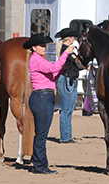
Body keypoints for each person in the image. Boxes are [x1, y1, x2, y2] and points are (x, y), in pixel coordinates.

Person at [25, 32, 74, 174]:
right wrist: (65, 54)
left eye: (45, 45)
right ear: (34, 48)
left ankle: (39, 163)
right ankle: (40, 165)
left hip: (44, 97)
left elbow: (52, 74)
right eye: (41, 46)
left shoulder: (38, 59)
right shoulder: (37, 60)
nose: (44, 48)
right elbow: (52, 68)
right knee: (41, 134)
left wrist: (61, 71)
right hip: (42, 97)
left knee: (41, 133)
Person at [54, 27, 81, 144]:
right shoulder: (67, 50)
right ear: (70, 39)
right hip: (67, 80)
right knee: (66, 109)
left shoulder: (65, 50)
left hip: (70, 80)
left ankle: (67, 135)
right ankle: (65, 137)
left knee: (68, 109)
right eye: (73, 37)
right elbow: (76, 62)